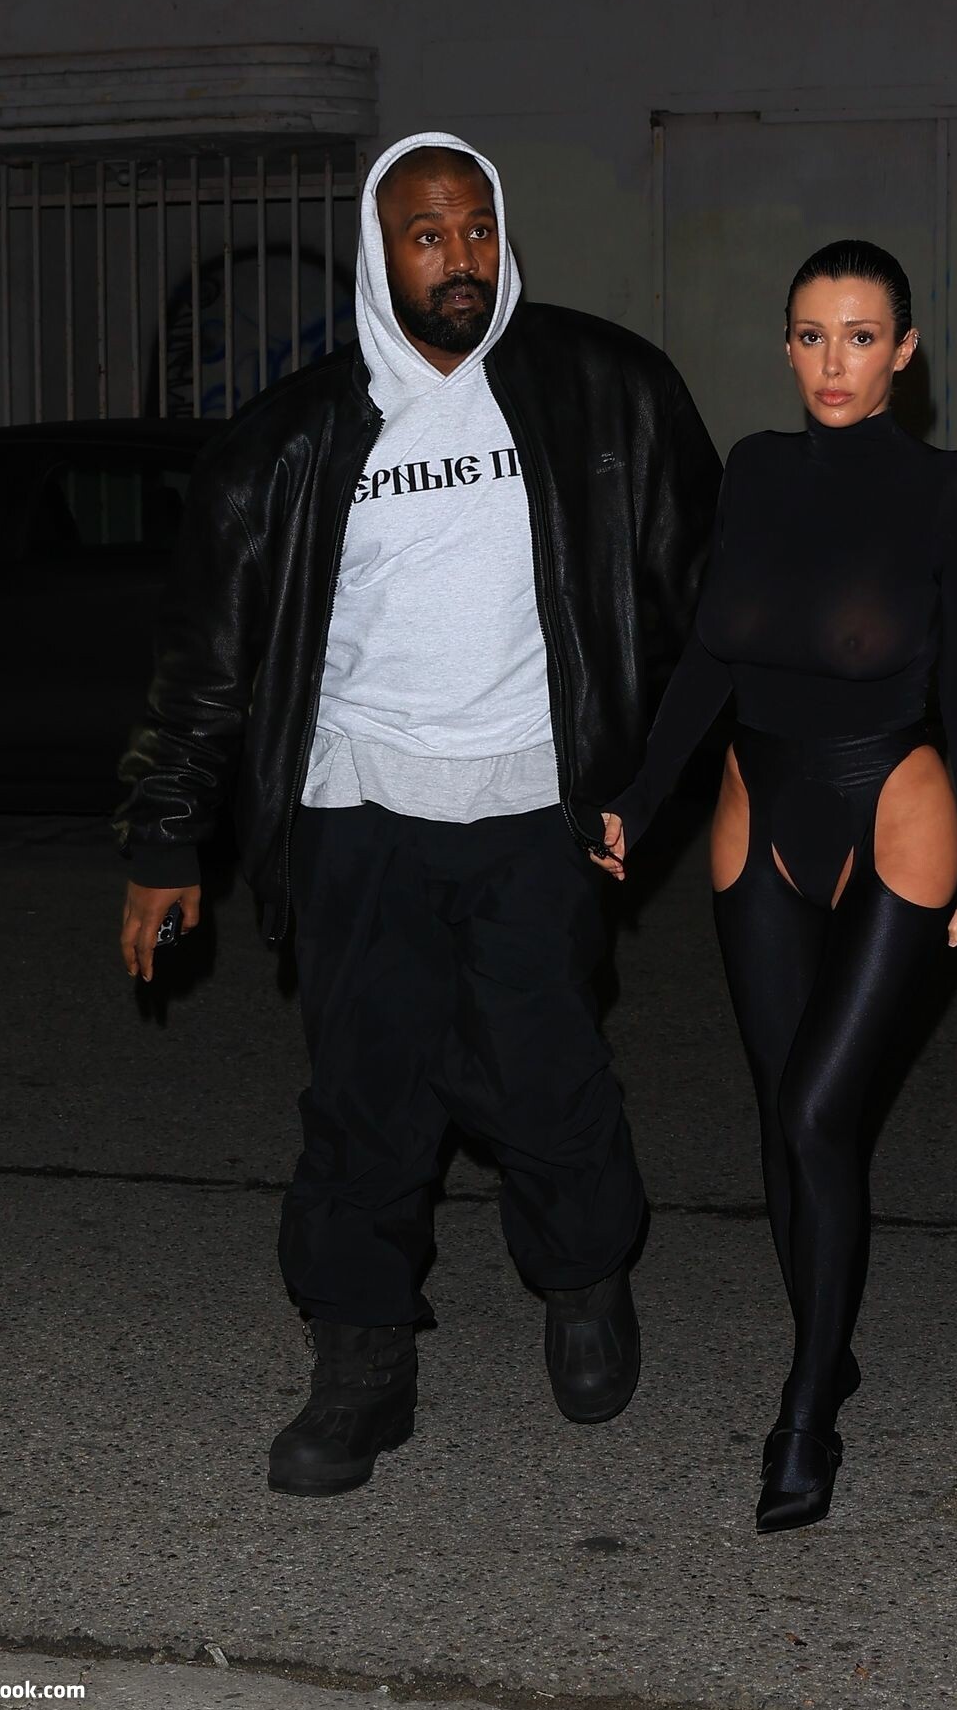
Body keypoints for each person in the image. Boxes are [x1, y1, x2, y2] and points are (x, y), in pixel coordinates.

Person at [114, 132, 721, 1498]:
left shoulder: (609, 390)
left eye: (476, 230)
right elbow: (206, 659)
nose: (458, 261)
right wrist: (165, 837)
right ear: (378, 252)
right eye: (426, 236)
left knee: (549, 1075)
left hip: (536, 808)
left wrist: (673, 785)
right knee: (366, 1096)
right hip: (358, 815)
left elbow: (705, 603)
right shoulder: (290, 439)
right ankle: (362, 1362)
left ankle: (585, 1283)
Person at [595, 239, 957, 1533]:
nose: (835, 362)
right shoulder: (757, 472)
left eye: (861, 336)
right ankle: (824, 1345)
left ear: (905, 353)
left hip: (894, 807)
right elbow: (710, 661)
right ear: (787, 347)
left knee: (823, 1114)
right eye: (813, 336)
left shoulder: (948, 491)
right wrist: (638, 798)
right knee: (784, 1114)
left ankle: (804, 1413)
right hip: (757, 810)